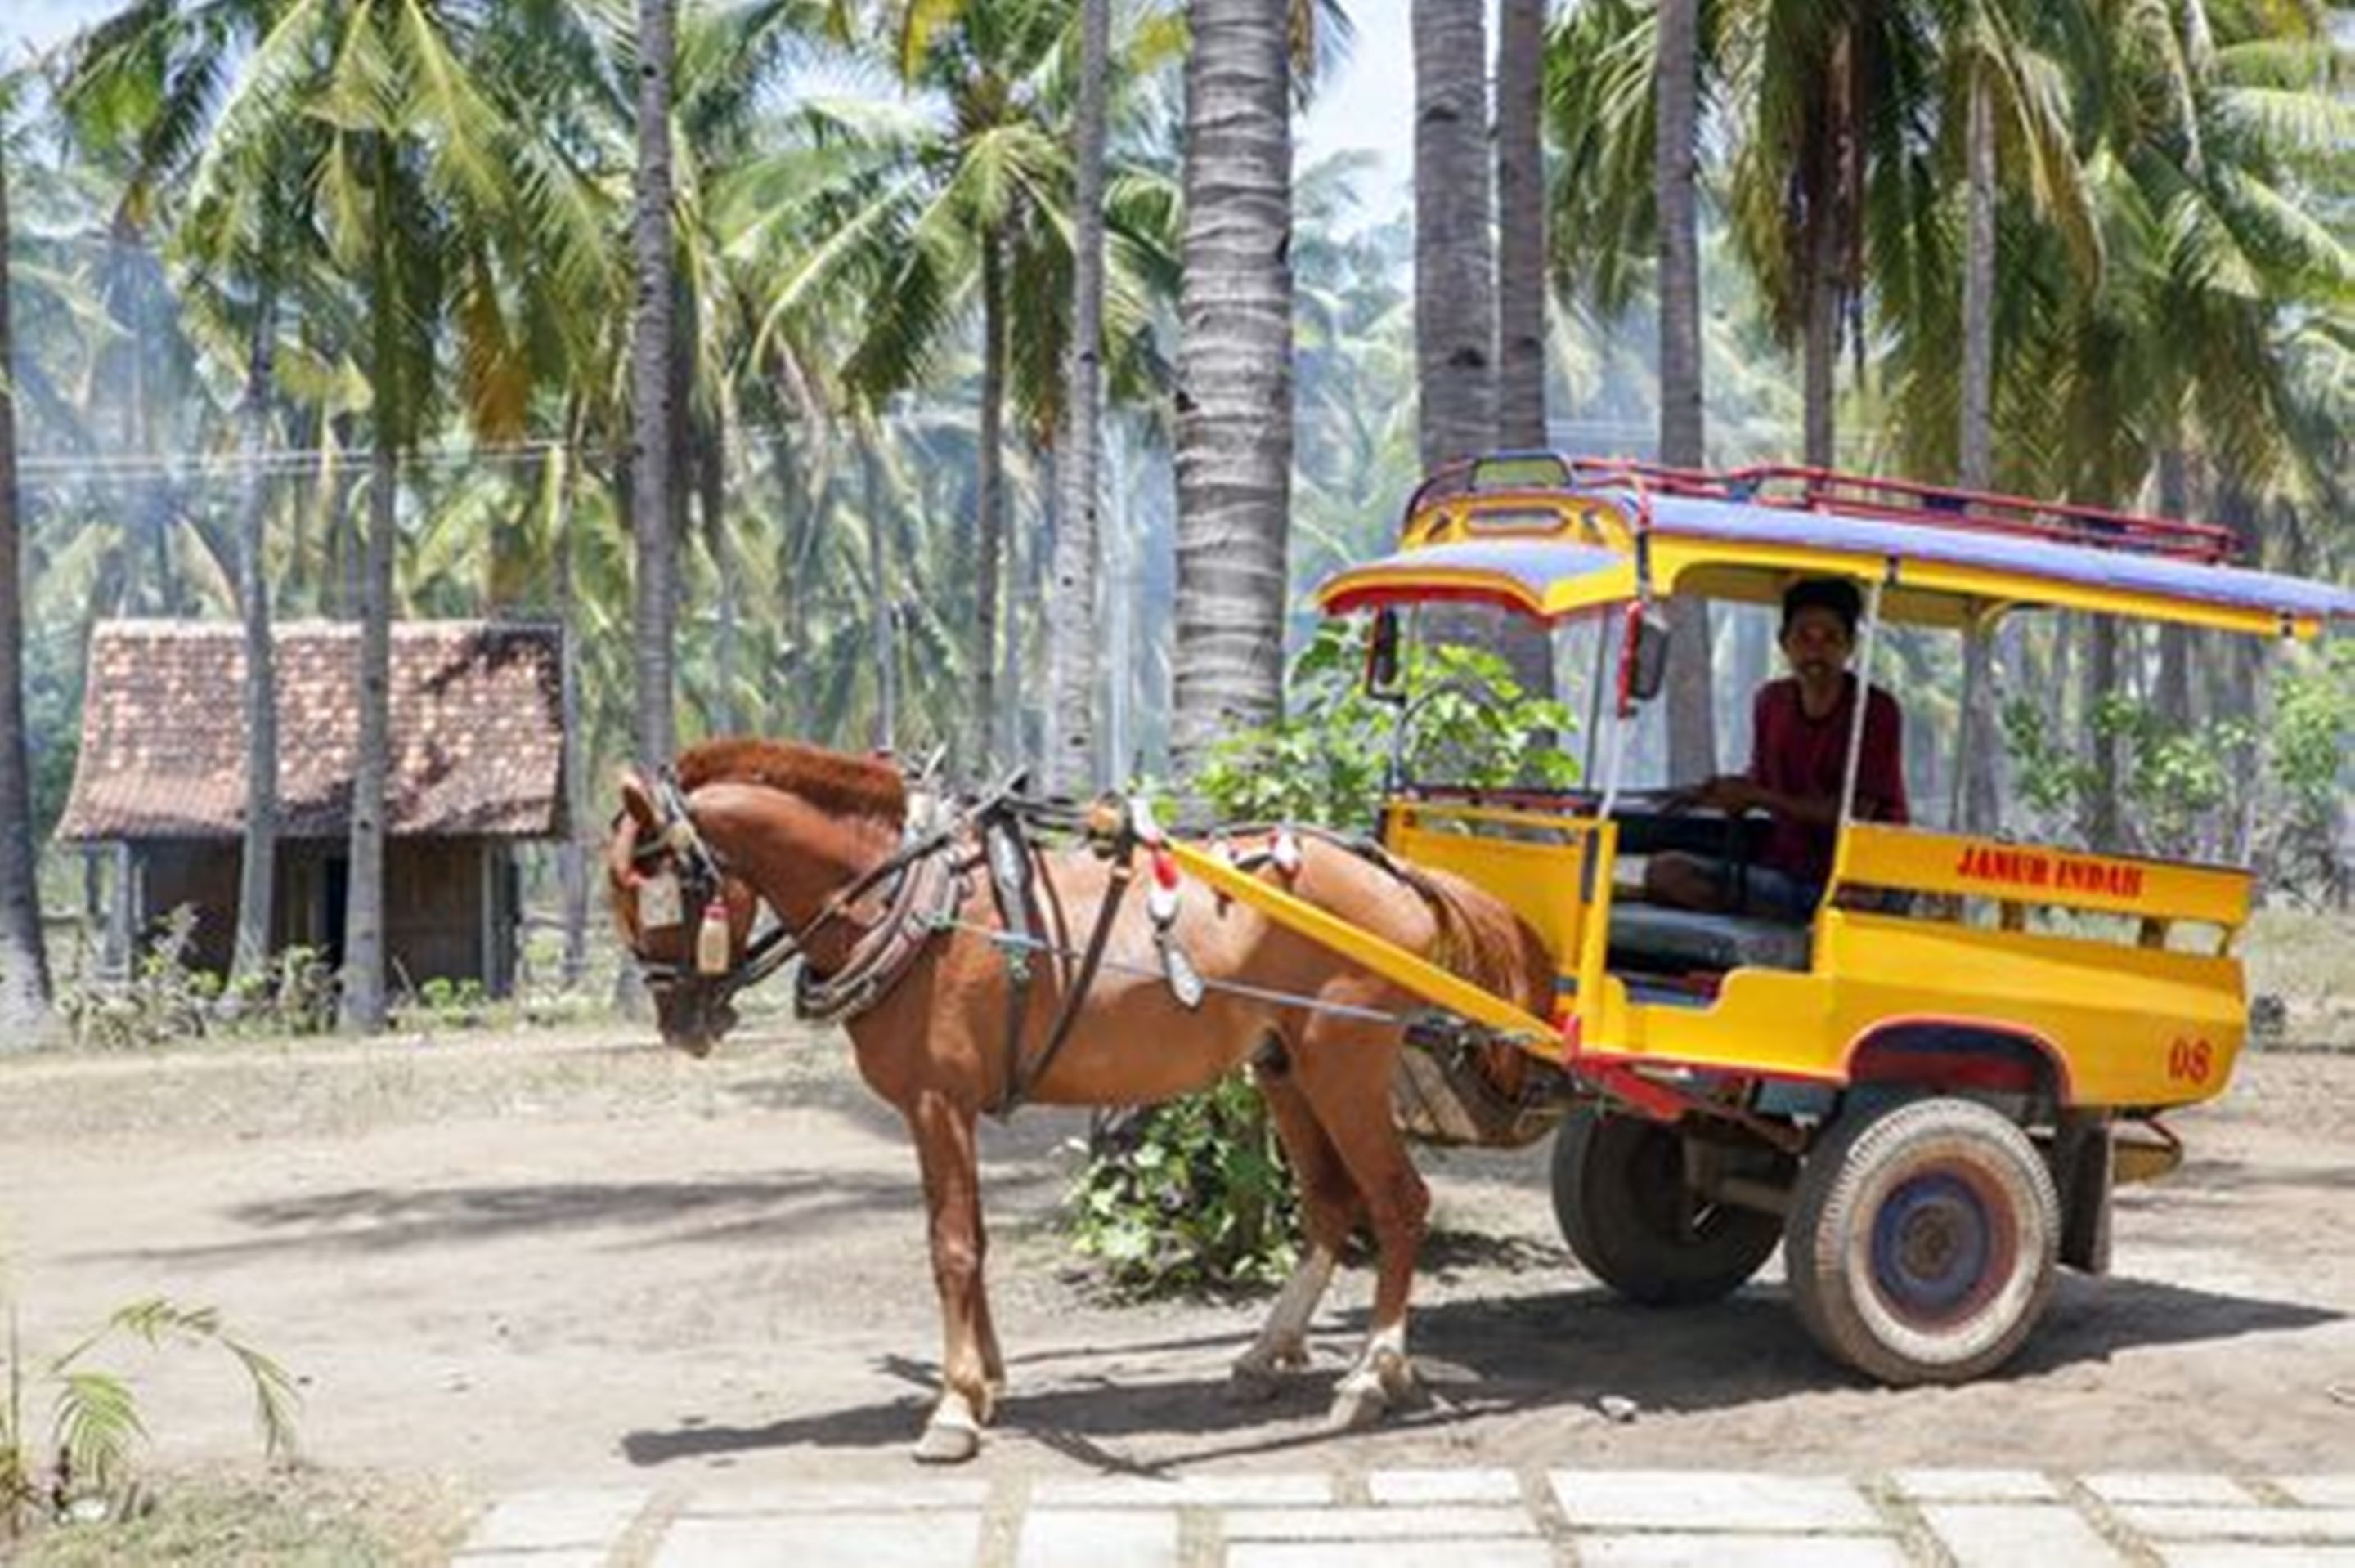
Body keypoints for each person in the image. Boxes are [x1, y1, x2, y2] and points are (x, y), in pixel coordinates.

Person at [1644, 577, 1909, 921]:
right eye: (1803, 638)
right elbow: (1761, 781)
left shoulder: (1875, 710)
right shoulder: (1771, 701)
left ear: (1849, 647)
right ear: (1784, 643)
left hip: (1853, 885)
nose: (1815, 652)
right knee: (1665, 872)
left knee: (1851, 903)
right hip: (1786, 871)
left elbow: (1853, 813)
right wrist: (1710, 794)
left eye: (1830, 639)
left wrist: (1758, 797)